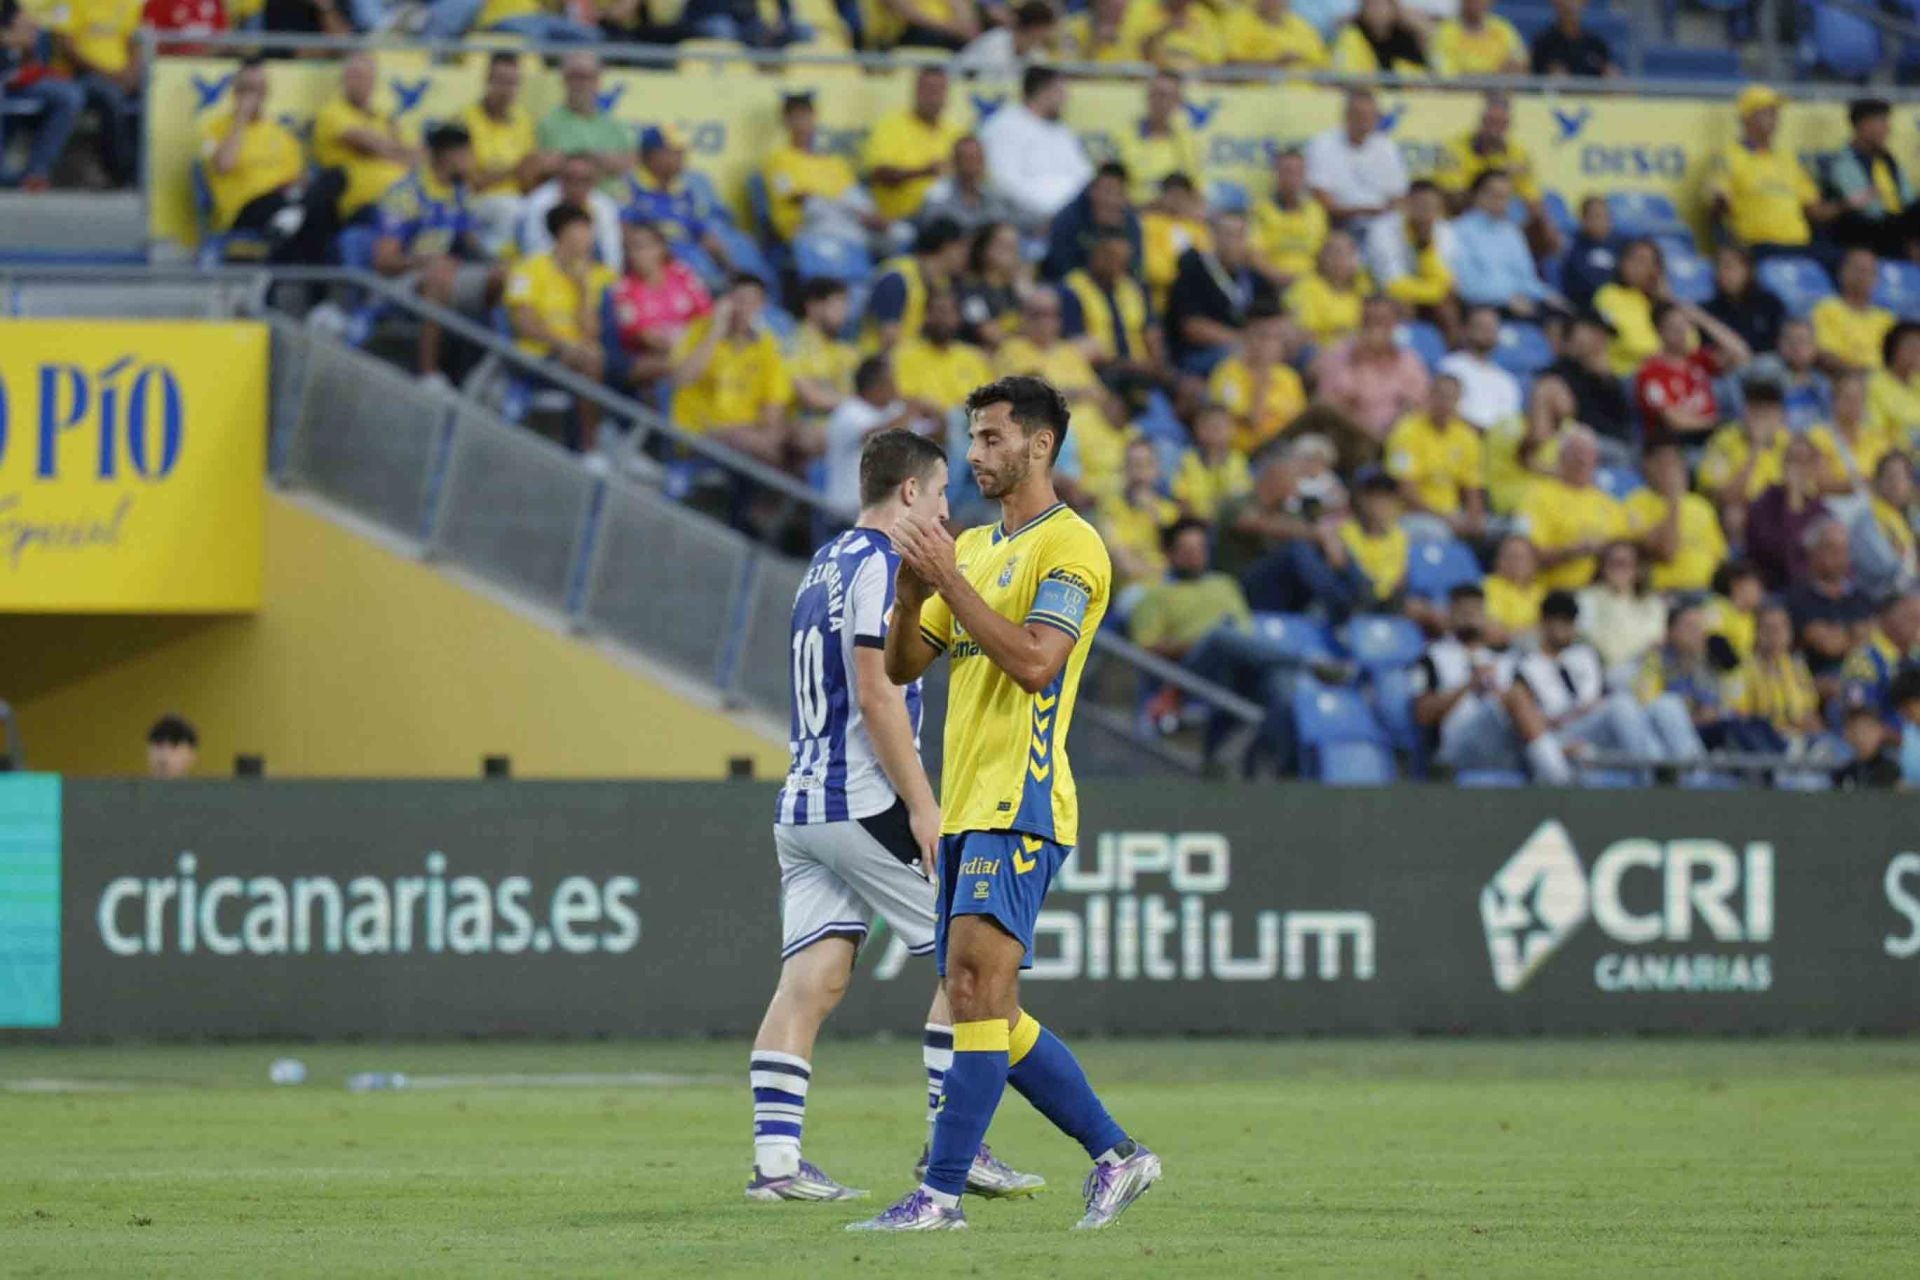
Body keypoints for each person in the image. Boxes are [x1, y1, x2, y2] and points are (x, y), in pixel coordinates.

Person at [860, 375, 1161, 1232]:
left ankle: (940, 1193)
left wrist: (949, 579)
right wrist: (919, 583)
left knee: (973, 989)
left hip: (1019, 799)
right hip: (966, 803)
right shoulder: (984, 549)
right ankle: (1118, 1154)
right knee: (983, 1002)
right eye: (974, 440)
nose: (978, 455)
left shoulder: (1073, 549)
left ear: (1039, 445)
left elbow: (1036, 661)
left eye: (993, 439)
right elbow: (903, 666)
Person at [752, 428, 1042, 1204]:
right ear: (910, 492)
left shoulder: (822, 564)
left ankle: (776, 1166)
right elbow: (878, 689)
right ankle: (961, 1145)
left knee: (810, 980)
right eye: (943, 494)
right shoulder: (883, 565)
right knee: (969, 960)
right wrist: (923, 805)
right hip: (865, 797)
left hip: (804, 802)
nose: (949, 511)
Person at [1132, 518, 1302, 772]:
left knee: (1283, 682)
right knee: (1219, 636)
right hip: (1192, 670)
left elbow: (1245, 634)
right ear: (1170, 554)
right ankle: (1306, 662)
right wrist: (1194, 643)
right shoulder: (1155, 595)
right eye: (1187, 551)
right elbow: (1144, 649)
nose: (1195, 557)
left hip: (1237, 668)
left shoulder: (1225, 584)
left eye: (1200, 549)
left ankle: (1283, 767)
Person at [1507, 589, 1681, 785]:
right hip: (1560, 735)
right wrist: (1579, 712)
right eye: (1560, 621)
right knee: (1619, 706)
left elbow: (1608, 687)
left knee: (1659, 704)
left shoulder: (1585, 656)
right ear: (1544, 623)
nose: (1566, 628)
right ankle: (1654, 773)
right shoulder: (1526, 666)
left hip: (1597, 727)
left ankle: (1674, 772)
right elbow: (1531, 721)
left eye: (1570, 622)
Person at [372, 124, 500, 386]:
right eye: (467, 154)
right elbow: (384, 261)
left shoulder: (460, 193)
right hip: (404, 278)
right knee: (438, 276)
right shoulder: (406, 193)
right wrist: (425, 261)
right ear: (448, 156)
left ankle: (491, 371)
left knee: (503, 277)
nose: (472, 160)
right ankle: (428, 374)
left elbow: (471, 242)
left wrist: (499, 263)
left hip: (450, 273)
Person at [197, 57, 344, 266]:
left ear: (266, 92)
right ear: (234, 91)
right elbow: (224, 165)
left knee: (334, 184)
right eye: (246, 88)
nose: (252, 96)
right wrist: (240, 120)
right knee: (306, 213)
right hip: (245, 208)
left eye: (258, 89)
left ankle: (315, 295)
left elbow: (298, 179)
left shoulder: (281, 133)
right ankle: (292, 217)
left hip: (286, 201)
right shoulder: (215, 130)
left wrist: (299, 193)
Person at [996, 287, 1127, 498]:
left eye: (1051, 315)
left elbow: (1103, 398)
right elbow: (1035, 395)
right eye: (1037, 315)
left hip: (1099, 437)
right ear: (1024, 318)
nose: (1045, 322)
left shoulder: (1070, 353)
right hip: (1057, 439)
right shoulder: (1013, 349)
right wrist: (1080, 393)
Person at [505, 205, 614, 449]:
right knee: (592, 361)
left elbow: (592, 333)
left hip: (584, 357)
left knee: (596, 360)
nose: (587, 239)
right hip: (537, 355)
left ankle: (602, 443)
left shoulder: (603, 276)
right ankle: (590, 448)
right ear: (561, 234)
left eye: (589, 232)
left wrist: (584, 289)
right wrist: (563, 345)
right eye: (580, 232)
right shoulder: (528, 269)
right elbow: (523, 323)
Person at [670, 275, 796, 470]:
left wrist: (764, 430)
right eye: (737, 300)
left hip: (747, 433)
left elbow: (774, 406)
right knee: (773, 453)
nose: (742, 309)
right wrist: (716, 331)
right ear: (725, 302)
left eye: (750, 302)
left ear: (761, 306)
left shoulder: (767, 345)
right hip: (699, 431)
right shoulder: (699, 331)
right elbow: (682, 379)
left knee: (795, 441)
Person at [1307, 294, 1430, 462]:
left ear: (1394, 324)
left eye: (1381, 321)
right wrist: (1356, 360)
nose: (1374, 327)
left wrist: (1391, 434)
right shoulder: (1341, 353)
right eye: (1368, 321)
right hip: (1350, 438)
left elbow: (1415, 403)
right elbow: (1330, 402)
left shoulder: (1408, 359)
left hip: (1395, 438)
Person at [601, 218, 713, 398]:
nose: (637, 254)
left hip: (689, 349)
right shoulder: (623, 288)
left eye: (644, 246)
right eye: (631, 248)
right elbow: (645, 337)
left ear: (661, 248)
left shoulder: (683, 273)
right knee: (676, 366)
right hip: (640, 358)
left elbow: (706, 317)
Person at [1709, 85, 1824, 256]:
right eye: (1768, 113)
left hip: (1798, 244)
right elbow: (1717, 204)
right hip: (1757, 245)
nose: (1775, 119)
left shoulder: (1788, 159)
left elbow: (1813, 206)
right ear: (1747, 118)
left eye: (1776, 113)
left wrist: (1846, 205)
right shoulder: (1728, 157)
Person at [978, 65, 1095, 231]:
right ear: (1043, 91)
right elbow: (1003, 183)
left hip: (1072, 221)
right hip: (1024, 222)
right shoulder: (1003, 126)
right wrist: (1048, 215)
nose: (1066, 99)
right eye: (1060, 91)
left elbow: (1085, 175)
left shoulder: (1063, 132)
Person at [1166, 210, 1278, 374]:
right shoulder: (1193, 270)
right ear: (1213, 237)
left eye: (1239, 235)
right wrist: (1243, 340)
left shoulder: (1251, 274)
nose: (1233, 242)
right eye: (1227, 235)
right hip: (1199, 355)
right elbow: (1192, 327)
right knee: (1246, 356)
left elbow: (1274, 316)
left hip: (1248, 345)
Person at [1517, 426, 1629, 592]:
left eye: (1588, 454)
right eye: (1576, 453)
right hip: (1552, 592)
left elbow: (1623, 550)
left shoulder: (1608, 503)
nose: (1582, 459)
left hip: (1599, 593)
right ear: (1561, 457)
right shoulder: (1538, 496)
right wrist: (1573, 551)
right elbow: (1528, 557)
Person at [313, 51, 417, 227]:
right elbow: (369, 144)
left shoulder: (384, 117)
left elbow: (417, 155)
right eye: (355, 77)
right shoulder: (332, 113)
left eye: (366, 78)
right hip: (360, 203)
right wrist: (395, 149)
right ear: (344, 79)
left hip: (402, 197)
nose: (360, 83)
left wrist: (387, 148)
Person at [760, 89, 876, 246]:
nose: (802, 122)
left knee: (900, 233)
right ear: (786, 121)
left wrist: (868, 214)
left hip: (846, 220)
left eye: (806, 115)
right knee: (849, 232)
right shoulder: (778, 160)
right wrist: (839, 206)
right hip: (804, 226)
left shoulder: (833, 161)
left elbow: (853, 195)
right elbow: (796, 197)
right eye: (796, 116)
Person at [462, 51, 547, 259]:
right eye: (501, 82)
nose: (507, 90)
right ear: (487, 81)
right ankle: (496, 265)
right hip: (478, 201)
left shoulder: (524, 121)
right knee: (510, 208)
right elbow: (469, 183)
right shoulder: (465, 121)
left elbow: (529, 176)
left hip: (520, 198)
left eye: (513, 83)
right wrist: (513, 171)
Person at [1634, 300, 1751, 449]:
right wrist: (1719, 424)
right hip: (1677, 446)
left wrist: (1702, 320)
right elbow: (1674, 422)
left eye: (1685, 325)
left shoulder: (1697, 359)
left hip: (1713, 440)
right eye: (1674, 327)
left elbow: (1741, 354)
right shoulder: (1650, 372)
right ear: (1659, 331)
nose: (1682, 332)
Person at [1061, 229, 1164, 396]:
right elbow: (1076, 347)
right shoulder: (1072, 289)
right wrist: (1129, 365)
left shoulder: (1132, 288)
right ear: (1095, 252)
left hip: (1140, 373)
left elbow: (1151, 331)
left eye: (1122, 259)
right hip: (1098, 374)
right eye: (1110, 256)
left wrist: (1157, 363)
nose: (1116, 263)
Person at [1385, 373, 1485, 539]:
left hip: (1453, 514)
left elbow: (1473, 488)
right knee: (1437, 532)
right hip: (1412, 515)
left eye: (1452, 398)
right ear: (1429, 396)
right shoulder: (1406, 431)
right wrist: (1444, 518)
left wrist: (1474, 520)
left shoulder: (1466, 436)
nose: (1445, 404)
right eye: (1440, 396)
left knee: (1501, 532)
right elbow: (1406, 491)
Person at [52, 0, 142, 185]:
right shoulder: (67, 3)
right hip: (81, 76)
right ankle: (122, 172)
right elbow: (66, 47)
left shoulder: (126, 4)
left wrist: (131, 74)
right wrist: (106, 74)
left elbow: (136, 43)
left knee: (153, 97)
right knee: (111, 97)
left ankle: (144, 171)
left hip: (121, 77)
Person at [1446, 170, 1558, 318]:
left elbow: (1527, 278)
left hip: (1520, 302)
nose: (1501, 202)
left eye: (1506, 197)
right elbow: (1466, 285)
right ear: (1476, 196)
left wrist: (1547, 295)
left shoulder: (1512, 232)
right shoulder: (1457, 231)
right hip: (1483, 305)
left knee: (1570, 318)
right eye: (1495, 195)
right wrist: (1505, 298)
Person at [624, 124, 731, 274]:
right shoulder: (629, 187)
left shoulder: (686, 191)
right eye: (673, 151)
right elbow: (625, 235)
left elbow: (704, 233)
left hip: (692, 268)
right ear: (651, 155)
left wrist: (731, 271)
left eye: (681, 151)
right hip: (651, 270)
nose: (681, 156)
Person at [1305, 85, 1409, 239]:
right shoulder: (1322, 144)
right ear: (1346, 116)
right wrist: (1363, 211)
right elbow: (1321, 198)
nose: (1364, 121)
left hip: (1381, 222)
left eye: (1369, 116)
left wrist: (1379, 213)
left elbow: (1399, 196)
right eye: (1359, 115)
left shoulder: (1387, 147)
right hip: (1339, 223)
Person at [1, 0, 84, 192]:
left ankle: (35, 173)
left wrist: (16, 38)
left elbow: (29, 37)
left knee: (69, 96)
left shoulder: (9, 6)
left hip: (14, 77)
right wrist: (11, 37)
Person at [863, 67, 963, 225]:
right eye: (928, 90)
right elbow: (878, 175)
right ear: (916, 92)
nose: (933, 97)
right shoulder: (890, 126)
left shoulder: (956, 133)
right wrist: (924, 172)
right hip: (901, 220)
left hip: (949, 220)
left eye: (939, 90)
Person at [1627, 442, 1728, 595]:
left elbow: (1720, 557)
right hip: (1668, 593)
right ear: (1647, 466)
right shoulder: (1636, 504)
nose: (1670, 471)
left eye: (1675, 463)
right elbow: (1666, 552)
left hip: (1707, 591)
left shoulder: (1701, 506)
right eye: (1663, 464)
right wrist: (1673, 499)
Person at [1209, 304, 1307, 458]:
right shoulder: (1228, 372)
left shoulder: (1289, 377)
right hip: (1249, 453)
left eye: (1276, 337)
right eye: (1262, 336)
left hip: (1286, 450)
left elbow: (1300, 426)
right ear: (1246, 336)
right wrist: (1262, 380)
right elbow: (1252, 421)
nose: (1268, 344)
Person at [1783, 517, 1875, 680]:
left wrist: (1842, 636)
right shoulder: (1797, 598)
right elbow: (1829, 646)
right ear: (1812, 552)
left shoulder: (1861, 596)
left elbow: (1869, 641)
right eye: (1831, 549)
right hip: (1817, 681)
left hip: (1862, 678)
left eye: (1844, 550)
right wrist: (1855, 634)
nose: (1839, 556)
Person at [1829, 97, 1920, 261]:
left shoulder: (1887, 160)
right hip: (1866, 230)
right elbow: (1868, 209)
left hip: (1895, 226)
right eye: (1882, 122)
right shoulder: (1844, 161)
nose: (1888, 129)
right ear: (1863, 125)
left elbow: (1908, 198)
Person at [820, 359, 912, 519]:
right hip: (850, 509)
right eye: (890, 382)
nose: (896, 388)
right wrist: (909, 413)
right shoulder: (848, 412)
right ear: (875, 387)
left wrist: (936, 415)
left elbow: (934, 435)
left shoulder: (893, 410)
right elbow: (878, 439)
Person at [1729, 600, 1824, 753]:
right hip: (1766, 745)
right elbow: (1741, 720)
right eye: (1769, 628)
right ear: (1757, 632)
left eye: (1782, 627)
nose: (1777, 634)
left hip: (1801, 740)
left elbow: (1811, 715)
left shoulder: (1797, 667)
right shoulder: (1741, 670)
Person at [894, 290, 993, 436]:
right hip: (926, 431)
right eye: (936, 312)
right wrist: (943, 416)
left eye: (947, 312)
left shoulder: (973, 357)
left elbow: (988, 401)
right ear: (926, 317)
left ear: (957, 318)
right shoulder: (905, 354)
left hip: (968, 430)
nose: (941, 319)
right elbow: (907, 400)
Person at [1529, 311, 1633, 448]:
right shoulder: (1557, 374)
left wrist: (1604, 377)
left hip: (1616, 448)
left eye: (1604, 335)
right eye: (1593, 332)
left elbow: (1624, 425)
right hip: (1577, 445)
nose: (1600, 340)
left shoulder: (1612, 380)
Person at [864, 217, 969, 351]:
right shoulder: (897, 277)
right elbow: (888, 338)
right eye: (963, 249)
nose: (966, 256)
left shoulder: (943, 283)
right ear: (948, 247)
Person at [1745, 435, 1833, 591]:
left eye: (1804, 461)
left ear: (1813, 467)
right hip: (1773, 586)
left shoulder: (1820, 508)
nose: (1798, 468)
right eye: (1793, 460)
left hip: (1812, 590)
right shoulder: (1765, 502)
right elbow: (1784, 557)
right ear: (1783, 464)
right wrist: (1793, 502)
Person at [1366, 179, 1455, 325]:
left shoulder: (1444, 231)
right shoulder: (1383, 229)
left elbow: (1444, 280)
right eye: (1421, 205)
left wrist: (1426, 246)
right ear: (1406, 204)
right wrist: (1431, 293)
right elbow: (1391, 283)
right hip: (1382, 292)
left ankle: (1455, 348)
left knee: (1448, 306)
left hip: (1424, 291)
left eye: (1432, 207)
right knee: (1404, 304)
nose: (1426, 213)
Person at [535, 52, 633, 184]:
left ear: (598, 81)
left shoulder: (616, 125)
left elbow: (627, 163)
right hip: (562, 197)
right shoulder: (546, 123)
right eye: (575, 77)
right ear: (564, 80)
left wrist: (571, 159)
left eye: (587, 77)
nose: (581, 84)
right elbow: (542, 165)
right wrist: (598, 160)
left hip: (608, 197)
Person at [1099, 436, 1184, 587]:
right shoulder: (1109, 509)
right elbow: (1125, 566)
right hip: (1132, 588)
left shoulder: (1170, 512)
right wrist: (1157, 571)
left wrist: (1153, 512)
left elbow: (1179, 562)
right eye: (1134, 465)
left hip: (1169, 586)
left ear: (1157, 470)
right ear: (1124, 470)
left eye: (1147, 464)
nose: (1140, 472)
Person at [1578, 541, 1667, 682]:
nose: (1619, 569)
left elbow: (1656, 640)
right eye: (1614, 563)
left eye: (1625, 564)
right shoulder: (1586, 598)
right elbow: (1591, 639)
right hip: (1603, 671)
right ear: (1602, 567)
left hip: (1643, 671)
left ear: (1637, 569)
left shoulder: (1652, 603)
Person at [1043, 162, 1143, 284]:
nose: (1110, 200)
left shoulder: (1130, 223)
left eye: (1118, 193)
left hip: (1117, 291)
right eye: (1107, 191)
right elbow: (1061, 269)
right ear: (1093, 191)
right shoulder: (1067, 220)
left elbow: (1135, 270)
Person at [520, 152, 622, 268]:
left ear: (595, 181)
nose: (577, 186)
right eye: (570, 178)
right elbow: (535, 250)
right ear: (559, 178)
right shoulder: (539, 203)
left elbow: (611, 255)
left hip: (590, 271)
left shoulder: (604, 206)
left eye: (584, 180)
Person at [1116, 71, 1202, 205]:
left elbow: (1195, 190)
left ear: (1178, 102)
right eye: (1155, 94)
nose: (1160, 102)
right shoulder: (1126, 135)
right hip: (1136, 214)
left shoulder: (1187, 140)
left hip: (1174, 217)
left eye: (1167, 96)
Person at [1250, 147, 1329, 289]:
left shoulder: (1316, 211)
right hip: (1271, 284)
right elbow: (1255, 254)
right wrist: (1278, 277)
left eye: (1298, 172)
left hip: (1311, 284)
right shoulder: (1260, 210)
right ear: (1277, 174)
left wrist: (1310, 280)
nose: (1292, 178)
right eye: (1287, 171)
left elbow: (1323, 255)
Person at [1438, 305, 1523, 432]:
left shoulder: (1507, 380)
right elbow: (1445, 408)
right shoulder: (1451, 365)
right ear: (1466, 330)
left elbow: (1508, 425)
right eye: (1481, 326)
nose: (1487, 331)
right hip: (1457, 437)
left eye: (1491, 327)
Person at [1812, 247, 1895, 375]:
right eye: (1859, 270)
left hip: (1884, 384)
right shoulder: (1826, 309)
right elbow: (1824, 355)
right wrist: (1859, 375)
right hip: (1844, 380)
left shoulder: (1887, 318)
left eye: (1871, 272)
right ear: (1842, 273)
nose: (1864, 277)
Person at [1840, 591, 1920, 722]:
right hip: (1887, 736)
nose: (1916, 624)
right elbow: (1860, 719)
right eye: (1908, 617)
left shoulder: (1916, 656)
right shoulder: (1864, 659)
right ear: (1885, 618)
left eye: (1918, 618)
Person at [786, 277, 858, 421]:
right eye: (838, 304)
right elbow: (811, 397)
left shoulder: (844, 348)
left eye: (845, 304)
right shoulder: (794, 345)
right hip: (807, 424)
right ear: (813, 306)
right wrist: (859, 405)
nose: (844, 312)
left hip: (843, 421)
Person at [1847, 451, 1917, 599]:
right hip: (1880, 600)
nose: (1896, 483)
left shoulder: (1906, 520)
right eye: (1890, 477)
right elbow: (1884, 568)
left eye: (1903, 477)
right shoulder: (1866, 519)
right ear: (1876, 482)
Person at [1593, 238, 1666, 377]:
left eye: (1645, 261)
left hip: (1666, 372)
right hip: (1629, 373)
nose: (1636, 266)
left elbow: (1691, 342)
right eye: (1633, 259)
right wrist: (1664, 352)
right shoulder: (1608, 295)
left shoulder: (1660, 303)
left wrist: (1665, 301)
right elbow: (1627, 341)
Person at [920, 136, 1020, 238]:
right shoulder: (939, 193)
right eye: (968, 158)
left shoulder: (996, 194)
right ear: (955, 162)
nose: (974, 165)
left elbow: (1022, 217)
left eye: (978, 158)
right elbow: (932, 228)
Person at [1748, 318, 1834, 431]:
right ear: (1779, 344)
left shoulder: (1823, 384)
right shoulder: (1765, 373)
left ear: (1814, 348)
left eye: (1802, 341)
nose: (1796, 347)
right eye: (1789, 341)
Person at [1172, 403, 1253, 522]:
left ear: (1232, 430)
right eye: (1210, 426)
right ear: (1198, 430)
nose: (1216, 431)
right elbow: (1181, 501)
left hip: (1229, 525)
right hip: (1196, 522)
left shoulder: (1238, 461)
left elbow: (1244, 499)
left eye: (1221, 427)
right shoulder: (1188, 460)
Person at [956, 221, 1029, 351]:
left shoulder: (1017, 288)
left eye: (1014, 246)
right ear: (984, 249)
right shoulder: (970, 289)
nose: (1011, 252)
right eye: (1002, 245)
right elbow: (987, 332)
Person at [1704, 244, 1786, 359]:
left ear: (1747, 270)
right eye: (1718, 266)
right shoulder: (1707, 310)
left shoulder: (1770, 304)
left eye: (1728, 266)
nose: (1722, 273)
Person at [954, 0, 1059, 74]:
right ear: (1036, 28)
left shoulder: (1036, 54)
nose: (1051, 34)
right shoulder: (995, 44)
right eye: (1048, 28)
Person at [1330, 0, 1426, 76]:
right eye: (1372, 4)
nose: (1378, 11)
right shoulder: (1352, 33)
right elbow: (1347, 74)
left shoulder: (1406, 35)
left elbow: (1422, 74)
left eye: (1383, 4)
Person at [1222, 0, 1329, 68]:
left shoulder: (1303, 26)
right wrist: (1274, 64)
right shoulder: (1238, 22)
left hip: (1310, 97)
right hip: (1259, 96)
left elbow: (1322, 67)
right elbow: (1230, 68)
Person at [1430, 0, 1525, 76]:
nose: (1477, 3)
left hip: (1500, 95)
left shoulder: (1503, 28)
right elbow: (1447, 76)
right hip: (1459, 97)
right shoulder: (1445, 32)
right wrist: (1493, 79)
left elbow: (1519, 64)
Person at [1559, 195, 1618, 313]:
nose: (1603, 221)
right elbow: (1583, 283)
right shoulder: (1574, 248)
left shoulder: (1620, 245)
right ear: (1584, 220)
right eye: (1597, 216)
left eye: (1606, 216)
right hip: (1588, 309)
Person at [1482, 534, 1543, 646]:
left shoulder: (1542, 592)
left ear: (1534, 562)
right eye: (1509, 557)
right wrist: (1531, 633)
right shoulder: (1487, 587)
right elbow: (1492, 633)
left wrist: (1513, 632)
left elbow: (1552, 631)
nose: (1514, 562)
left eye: (1521, 557)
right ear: (1498, 561)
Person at [1531, 0, 1615, 77]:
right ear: (1554, 2)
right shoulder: (1543, 43)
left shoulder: (1597, 45)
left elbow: (1609, 75)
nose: (1570, 4)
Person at [1133, 0, 1226, 68]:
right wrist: (1166, 29)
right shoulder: (1143, 9)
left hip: (1196, 79)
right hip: (1155, 77)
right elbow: (1139, 49)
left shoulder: (1203, 15)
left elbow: (1215, 57)